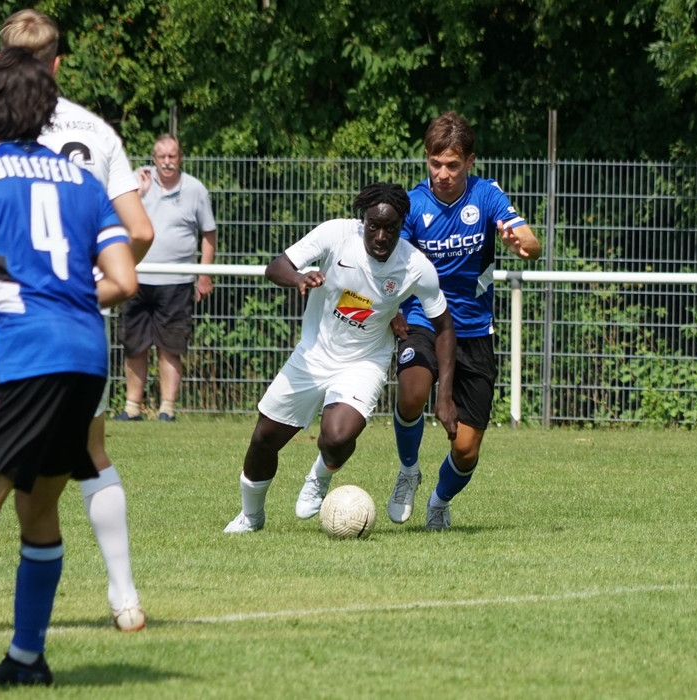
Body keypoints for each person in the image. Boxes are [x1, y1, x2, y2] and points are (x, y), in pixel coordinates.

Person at [0, 8, 152, 639]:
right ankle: (124, 598)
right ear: (57, 63)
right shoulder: (95, 132)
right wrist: (76, 287)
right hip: (78, 327)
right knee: (90, 457)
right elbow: (141, 232)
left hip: (7, 322)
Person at [223, 183, 458, 533]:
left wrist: (445, 395)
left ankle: (319, 477)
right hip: (313, 354)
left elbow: (445, 327)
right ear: (363, 220)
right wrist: (299, 278)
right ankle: (251, 516)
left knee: (337, 436)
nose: (381, 236)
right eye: (374, 226)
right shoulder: (336, 234)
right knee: (263, 439)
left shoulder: (415, 266)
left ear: (402, 225)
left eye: (391, 228)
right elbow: (276, 267)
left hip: (363, 362)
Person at [387, 111, 542, 530]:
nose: (442, 174)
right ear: (426, 158)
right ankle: (408, 471)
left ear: (470, 162)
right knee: (412, 392)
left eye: (453, 165)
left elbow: (531, 243)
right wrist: (392, 309)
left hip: (473, 330)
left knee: (467, 448)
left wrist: (520, 244)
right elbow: (391, 266)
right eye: (435, 163)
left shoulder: (486, 196)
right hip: (424, 319)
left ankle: (438, 501)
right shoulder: (413, 205)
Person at [113, 133, 217, 422]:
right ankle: (132, 408)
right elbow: (115, 219)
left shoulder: (195, 189)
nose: (167, 162)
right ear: (154, 158)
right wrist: (139, 195)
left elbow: (208, 234)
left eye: (172, 156)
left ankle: (166, 410)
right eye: (162, 156)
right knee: (134, 345)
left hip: (177, 281)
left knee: (170, 346)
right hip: (135, 277)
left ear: (180, 157)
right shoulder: (137, 180)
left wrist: (204, 275)